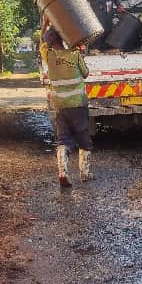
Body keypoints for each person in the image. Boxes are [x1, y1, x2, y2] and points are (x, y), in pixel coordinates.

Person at [39, 24, 94, 188]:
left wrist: (44, 25)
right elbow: (85, 73)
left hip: (61, 106)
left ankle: (63, 172)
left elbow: (42, 42)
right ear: (63, 39)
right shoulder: (74, 55)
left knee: (63, 139)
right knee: (84, 138)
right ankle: (84, 173)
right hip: (78, 104)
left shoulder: (49, 56)